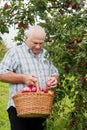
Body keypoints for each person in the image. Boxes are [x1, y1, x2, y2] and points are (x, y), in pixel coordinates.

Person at [0, 25, 59, 130]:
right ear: (26, 37)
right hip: (19, 109)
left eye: (41, 43)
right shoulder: (15, 52)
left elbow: (55, 72)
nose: (38, 46)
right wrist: (23, 78)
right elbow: (1, 74)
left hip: (40, 108)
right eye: (35, 43)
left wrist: (54, 79)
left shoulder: (46, 54)